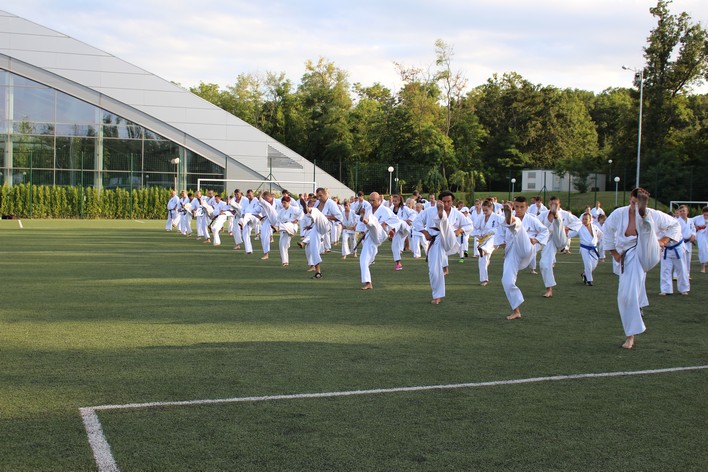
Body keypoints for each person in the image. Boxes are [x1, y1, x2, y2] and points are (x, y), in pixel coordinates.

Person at [603, 187, 681, 350]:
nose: (634, 206)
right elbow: (607, 231)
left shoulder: (655, 214)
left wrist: (664, 241)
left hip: (650, 250)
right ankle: (631, 332)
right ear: (629, 200)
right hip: (630, 254)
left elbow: (675, 225)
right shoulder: (619, 214)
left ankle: (644, 216)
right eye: (634, 203)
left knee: (646, 225)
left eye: (638, 204)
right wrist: (614, 253)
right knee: (627, 294)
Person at [412, 190, 473, 304]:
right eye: (444, 202)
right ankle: (437, 296)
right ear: (439, 201)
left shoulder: (457, 213)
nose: (446, 204)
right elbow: (416, 221)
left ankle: (442, 218)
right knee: (433, 270)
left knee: (446, 228)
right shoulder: (429, 211)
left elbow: (469, 225)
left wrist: (459, 230)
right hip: (436, 240)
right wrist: (425, 232)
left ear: (452, 201)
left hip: (450, 239)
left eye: (449, 201)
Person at [494, 196, 549, 320]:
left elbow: (545, 231)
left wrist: (536, 239)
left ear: (527, 207)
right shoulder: (504, 221)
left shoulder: (532, 219)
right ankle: (516, 311)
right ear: (513, 206)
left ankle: (513, 222)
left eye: (522, 207)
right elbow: (499, 235)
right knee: (506, 281)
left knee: (519, 229)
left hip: (526, 248)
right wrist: (502, 244)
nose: (519, 209)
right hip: (512, 252)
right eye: (517, 207)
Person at [538, 196, 581, 298]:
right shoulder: (543, 215)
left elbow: (578, 222)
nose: (553, 206)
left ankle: (556, 216)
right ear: (549, 204)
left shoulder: (566, 214)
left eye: (556, 204)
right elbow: (536, 225)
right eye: (551, 204)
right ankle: (549, 289)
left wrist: (568, 228)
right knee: (544, 263)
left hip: (561, 239)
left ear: (559, 205)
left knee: (559, 221)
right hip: (549, 240)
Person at [474, 199, 503, 286]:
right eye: (483, 210)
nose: (484, 212)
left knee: (492, 239)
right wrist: (479, 235)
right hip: (484, 240)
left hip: (494, 239)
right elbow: (474, 228)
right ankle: (484, 279)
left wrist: (495, 231)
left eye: (486, 210)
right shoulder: (481, 218)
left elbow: (506, 225)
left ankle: (484, 249)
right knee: (482, 259)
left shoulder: (498, 217)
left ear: (491, 208)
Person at [569, 212, 603, 286]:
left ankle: (585, 274)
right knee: (588, 264)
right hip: (584, 248)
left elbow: (601, 235)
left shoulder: (595, 227)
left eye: (586, 219)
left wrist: (606, 241)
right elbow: (570, 234)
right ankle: (589, 280)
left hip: (594, 248)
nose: (584, 221)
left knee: (594, 265)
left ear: (590, 220)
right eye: (583, 219)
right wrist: (564, 232)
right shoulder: (580, 228)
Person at [676, 205, 696, 279]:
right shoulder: (677, 221)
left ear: (687, 212)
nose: (682, 212)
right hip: (680, 242)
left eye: (684, 211)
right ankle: (676, 274)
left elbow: (693, 229)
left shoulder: (690, 221)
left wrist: (693, 235)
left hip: (688, 242)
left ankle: (687, 274)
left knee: (688, 260)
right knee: (679, 259)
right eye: (680, 211)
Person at [692, 206, 708, 273]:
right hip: (701, 235)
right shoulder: (698, 218)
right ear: (702, 213)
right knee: (702, 249)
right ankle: (703, 266)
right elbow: (689, 221)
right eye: (705, 214)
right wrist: (694, 227)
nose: (706, 216)